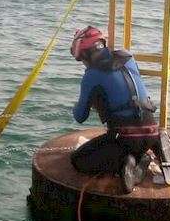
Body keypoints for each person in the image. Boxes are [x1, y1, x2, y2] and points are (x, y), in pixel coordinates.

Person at [69, 26, 161, 194]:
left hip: (125, 139)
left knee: (78, 160)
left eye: (82, 58)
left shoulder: (91, 75)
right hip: (152, 132)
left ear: (87, 55)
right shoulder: (128, 58)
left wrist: (76, 106)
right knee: (129, 141)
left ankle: (126, 161)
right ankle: (141, 157)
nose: (83, 63)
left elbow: (80, 116)